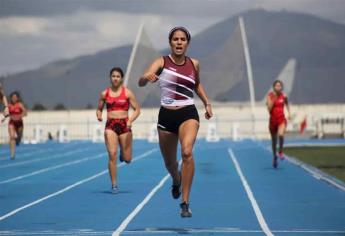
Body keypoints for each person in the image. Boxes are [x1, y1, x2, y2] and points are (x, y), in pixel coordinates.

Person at [139, 26, 213, 217]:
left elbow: (197, 84)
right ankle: (176, 179)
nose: (179, 42)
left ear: (187, 43)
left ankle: (185, 202)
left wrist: (207, 103)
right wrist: (146, 78)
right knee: (171, 163)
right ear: (170, 42)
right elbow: (141, 81)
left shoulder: (194, 63)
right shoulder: (161, 62)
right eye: (175, 39)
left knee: (187, 151)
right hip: (166, 116)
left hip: (188, 112)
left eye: (183, 39)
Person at [97, 67, 140, 194]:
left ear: (121, 78)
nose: (115, 78)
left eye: (118, 76)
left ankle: (123, 153)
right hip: (110, 125)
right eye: (113, 76)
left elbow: (137, 109)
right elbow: (99, 108)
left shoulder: (127, 93)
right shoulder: (104, 94)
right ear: (110, 78)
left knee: (127, 159)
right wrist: (99, 114)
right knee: (112, 154)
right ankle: (114, 184)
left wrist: (130, 120)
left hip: (124, 125)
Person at [266, 80, 291, 168]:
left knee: (281, 135)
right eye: (276, 86)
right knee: (274, 141)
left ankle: (280, 151)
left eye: (279, 86)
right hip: (273, 121)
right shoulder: (270, 96)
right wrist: (274, 99)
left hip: (281, 120)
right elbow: (269, 108)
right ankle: (274, 157)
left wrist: (289, 113)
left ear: (281, 87)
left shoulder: (284, 96)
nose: (278, 87)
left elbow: (287, 104)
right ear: (273, 87)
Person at [8, 91, 27, 159]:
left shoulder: (20, 105)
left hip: (19, 123)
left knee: (18, 137)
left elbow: (25, 113)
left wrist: (19, 116)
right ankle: (12, 154)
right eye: (12, 97)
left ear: (17, 98)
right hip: (12, 123)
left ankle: (18, 140)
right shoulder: (9, 105)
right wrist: (8, 116)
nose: (14, 98)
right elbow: (5, 113)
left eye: (15, 97)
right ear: (11, 98)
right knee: (12, 137)